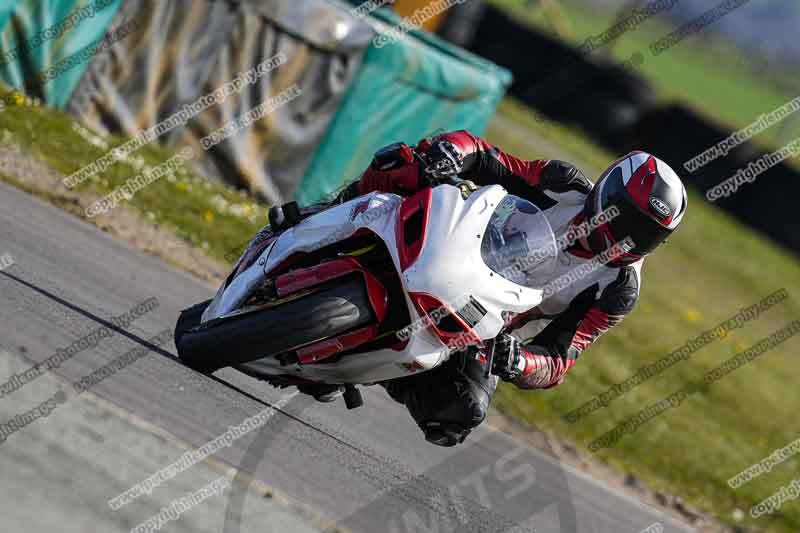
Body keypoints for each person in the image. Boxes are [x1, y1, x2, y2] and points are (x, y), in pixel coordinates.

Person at [280, 130, 687, 446]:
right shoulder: (561, 184)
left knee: (460, 411)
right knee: (405, 161)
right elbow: (488, 158)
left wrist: (520, 361)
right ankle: (325, 212)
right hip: (454, 243)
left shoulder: (618, 289)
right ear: (607, 193)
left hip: (484, 320)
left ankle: (363, 371)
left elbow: (560, 357)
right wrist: (452, 152)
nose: (627, 239)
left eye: (645, 235)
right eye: (625, 220)